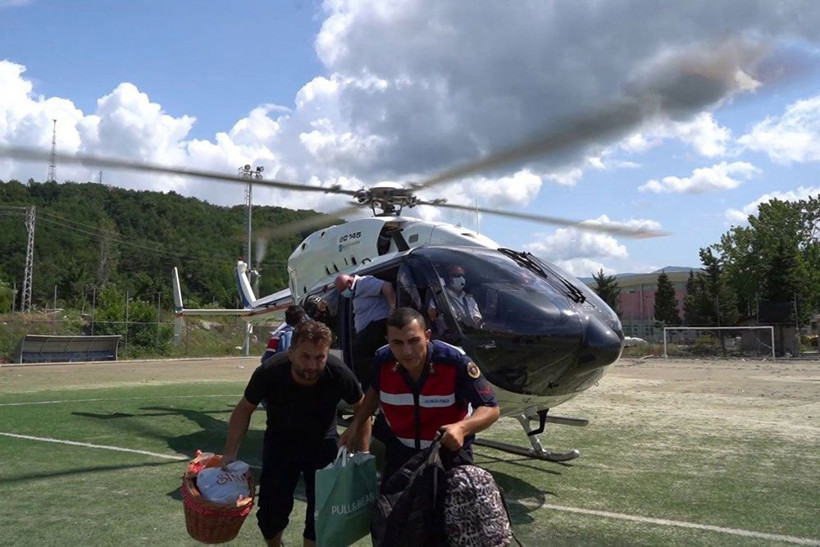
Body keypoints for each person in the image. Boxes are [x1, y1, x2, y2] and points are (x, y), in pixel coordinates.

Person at [222, 320, 369, 547]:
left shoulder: (338, 372)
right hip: (280, 445)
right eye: (305, 356)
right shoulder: (270, 371)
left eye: (320, 357)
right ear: (291, 353)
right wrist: (230, 454)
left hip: (323, 446)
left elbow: (363, 407)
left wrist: (363, 452)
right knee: (271, 515)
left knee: (319, 515)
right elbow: (244, 410)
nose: (312, 365)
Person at [340, 307, 500, 484]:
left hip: (448, 454)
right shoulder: (383, 359)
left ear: (427, 336)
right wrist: (356, 424)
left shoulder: (455, 361)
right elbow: (373, 393)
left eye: (414, 340)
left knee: (451, 510)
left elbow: (490, 408)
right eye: (397, 343)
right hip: (400, 454)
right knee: (391, 509)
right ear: (388, 341)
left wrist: (462, 428)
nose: (407, 351)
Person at [334, 273, 397, 380]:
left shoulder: (363, 282)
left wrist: (393, 308)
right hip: (368, 333)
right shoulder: (355, 292)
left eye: (343, 290)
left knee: (364, 358)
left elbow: (387, 286)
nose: (343, 293)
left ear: (349, 283)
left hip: (377, 328)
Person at [428, 265, 483, 330]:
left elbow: (477, 318)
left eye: (463, 276)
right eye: (457, 276)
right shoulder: (439, 297)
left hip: (468, 334)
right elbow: (432, 318)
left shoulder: (469, 299)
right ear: (448, 278)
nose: (461, 278)